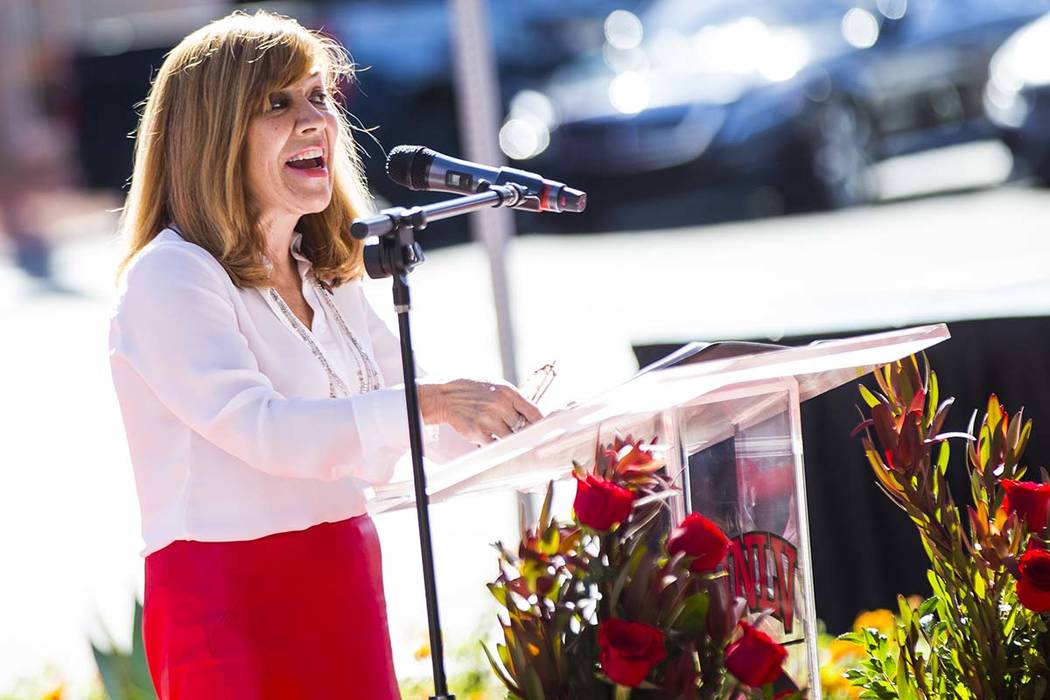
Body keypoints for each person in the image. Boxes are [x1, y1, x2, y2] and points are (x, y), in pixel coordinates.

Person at [107, 11, 541, 699]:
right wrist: (433, 401)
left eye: (318, 97)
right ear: (212, 133)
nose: (317, 122)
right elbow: (262, 428)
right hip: (225, 596)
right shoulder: (172, 276)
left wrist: (557, 438)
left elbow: (427, 421)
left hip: (341, 570)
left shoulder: (326, 271)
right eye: (278, 103)